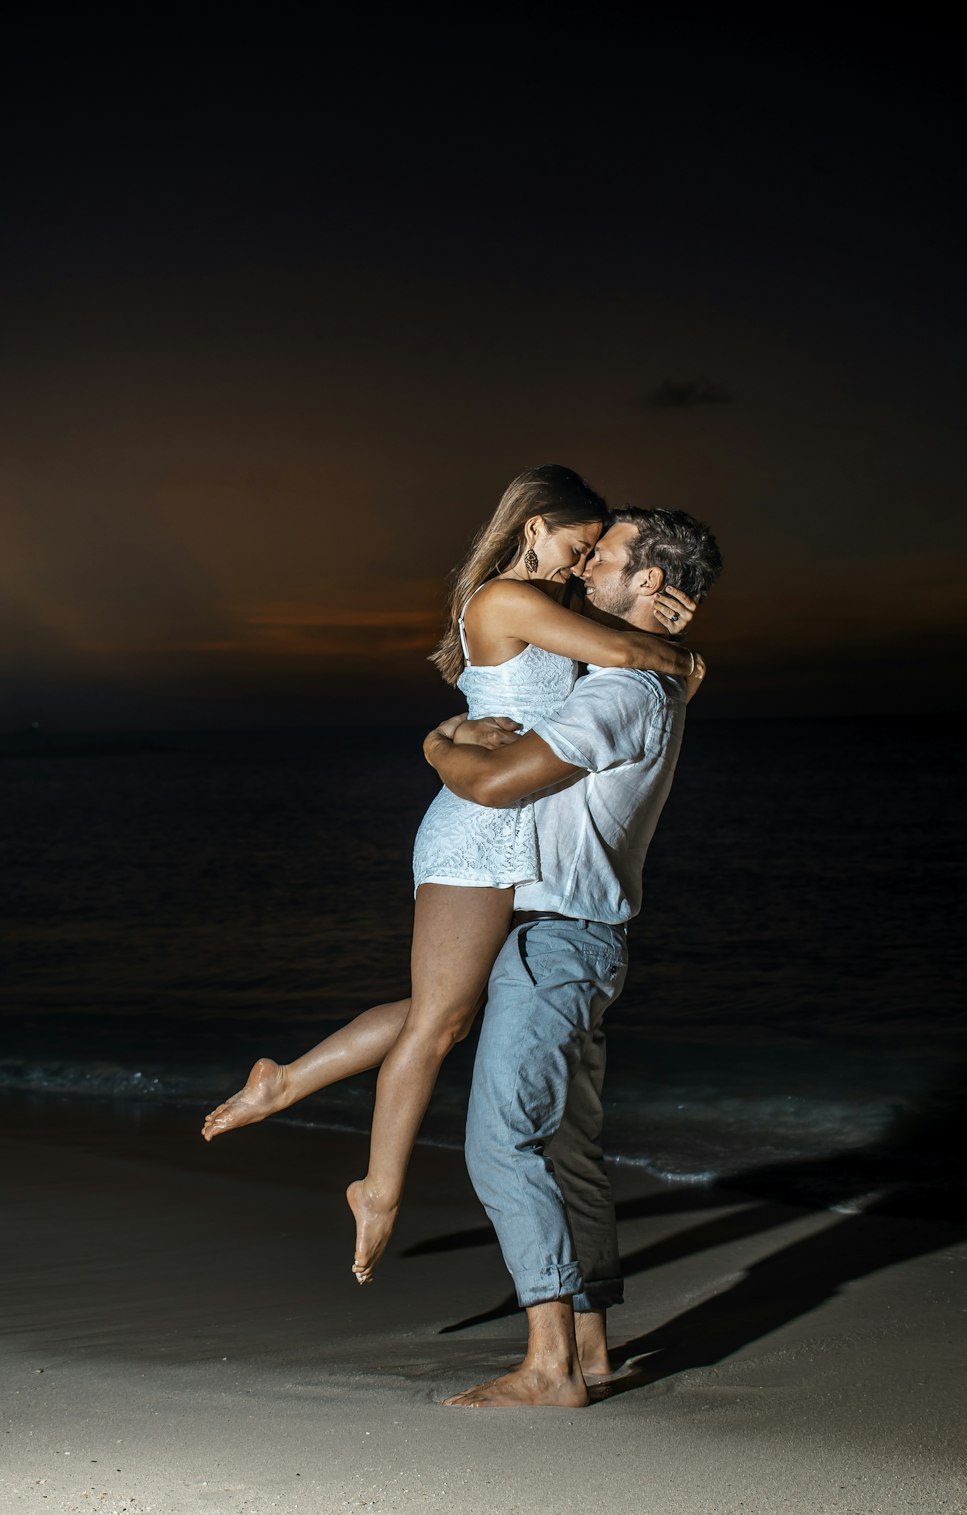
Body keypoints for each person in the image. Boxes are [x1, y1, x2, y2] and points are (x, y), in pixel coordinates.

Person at [201, 467, 704, 1285]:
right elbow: (622, 652)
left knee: (448, 1010)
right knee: (439, 1023)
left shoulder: (542, 605)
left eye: (592, 555)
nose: (582, 566)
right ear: (535, 526)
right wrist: (681, 655)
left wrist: (455, 734)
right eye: (579, 546)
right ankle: (380, 1187)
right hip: (477, 825)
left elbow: (602, 667)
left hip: (505, 828)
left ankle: (286, 1077)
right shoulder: (505, 599)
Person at [419, 506, 723, 1407]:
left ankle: (549, 1364)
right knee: (567, 1151)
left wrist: (437, 742)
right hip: (583, 939)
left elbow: (498, 781)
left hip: (554, 938)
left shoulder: (622, 692)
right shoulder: (636, 680)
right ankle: (590, 1347)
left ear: (652, 584)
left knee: (501, 1142)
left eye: (610, 559)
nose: (588, 570)